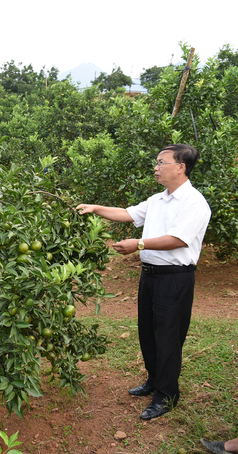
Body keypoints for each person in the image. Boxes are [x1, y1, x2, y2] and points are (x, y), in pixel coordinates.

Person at [77, 144, 211, 421]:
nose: (156, 168)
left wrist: (138, 244)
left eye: (162, 163)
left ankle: (167, 395)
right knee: (148, 332)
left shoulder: (194, 202)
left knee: (168, 337)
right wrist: (95, 208)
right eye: (157, 162)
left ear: (181, 167)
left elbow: (179, 239)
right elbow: (128, 213)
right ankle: (154, 381)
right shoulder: (158, 200)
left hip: (174, 280)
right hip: (150, 276)